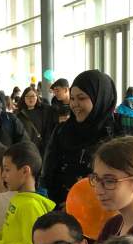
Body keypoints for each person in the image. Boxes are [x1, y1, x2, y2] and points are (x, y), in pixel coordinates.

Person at [41, 69, 120, 205]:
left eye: (82, 98)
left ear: (100, 98)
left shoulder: (117, 134)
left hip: (107, 215)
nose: (74, 104)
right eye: (72, 98)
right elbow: (48, 175)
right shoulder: (63, 131)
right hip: (65, 216)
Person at [16, 84, 58, 151]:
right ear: (24, 98)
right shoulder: (19, 114)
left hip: (42, 148)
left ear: (37, 97)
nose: (31, 99)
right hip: (26, 149)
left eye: (33, 96)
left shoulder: (44, 112)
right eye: (27, 96)